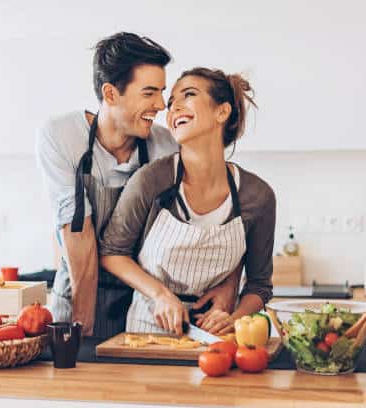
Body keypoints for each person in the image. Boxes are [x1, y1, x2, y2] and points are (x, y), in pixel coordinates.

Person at [36, 34, 240, 337]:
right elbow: (77, 233)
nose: (161, 105)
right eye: (149, 93)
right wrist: (81, 330)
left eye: (161, 92)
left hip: (142, 305)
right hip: (78, 291)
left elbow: (221, 217)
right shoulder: (62, 135)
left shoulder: (167, 145)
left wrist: (229, 284)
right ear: (110, 94)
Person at [99, 67, 275, 335]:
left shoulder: (257, 196)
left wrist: (235, 318)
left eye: (188, 95)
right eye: (171, 103)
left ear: (222, 112)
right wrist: (160, 294)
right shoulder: (151, 180)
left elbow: (259, 285)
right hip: (147, 332)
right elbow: (112, 253)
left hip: (217, 337)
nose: (173, 107)